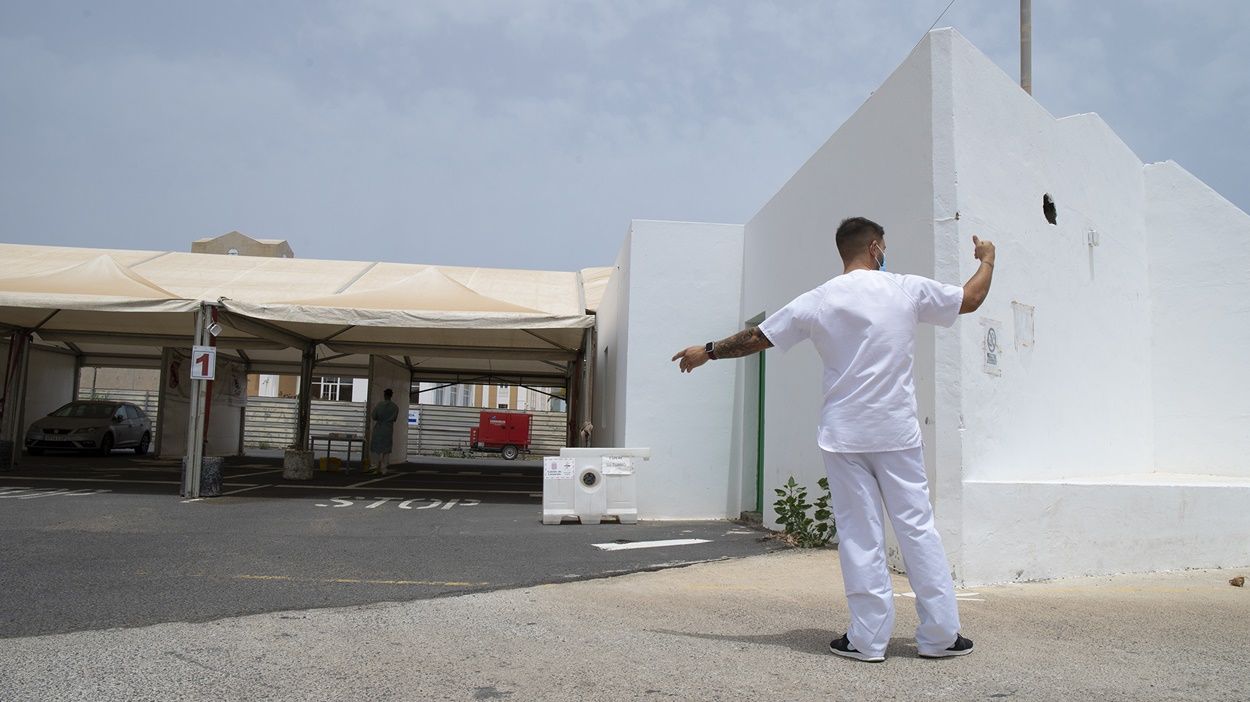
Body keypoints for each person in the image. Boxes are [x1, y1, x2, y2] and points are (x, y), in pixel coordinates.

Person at [671, 217, 995, 662]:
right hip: (896, 433)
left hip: (844, 435)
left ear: (844, 251)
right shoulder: (905, 288)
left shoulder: (819, 299)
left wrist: (705, 351)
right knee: (918, 529)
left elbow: (755, 338)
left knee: (861, 536)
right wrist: (988, 260)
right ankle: (940, 637)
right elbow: (972, 298)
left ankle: (866, 640)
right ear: (876, 247)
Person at [367, 388, 399, 476]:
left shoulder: (379, 405)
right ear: (391, 395)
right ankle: (384, 469)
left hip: (379, 428)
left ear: (384, 395)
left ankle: (375, 466)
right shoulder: (395, 407)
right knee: (386, 450)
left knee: (375, 449)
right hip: (388, 429)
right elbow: (395, 418)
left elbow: (374, 416)